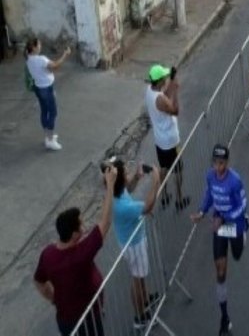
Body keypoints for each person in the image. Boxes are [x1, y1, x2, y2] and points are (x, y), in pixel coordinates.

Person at [34, 166, 116, 336]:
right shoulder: (81, 254)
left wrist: (55, 299)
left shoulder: (48, 254)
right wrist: (110, 185)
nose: (84, 226)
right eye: (81, 224)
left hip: (65, 319)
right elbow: (105, 222)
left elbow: (39, 282)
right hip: (87, 319)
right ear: (73, 234)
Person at [190, 145, 248, 336]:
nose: (218, 167)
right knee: (221, 272)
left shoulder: (235, 181)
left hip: (235, 223)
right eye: (216, 163)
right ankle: (224, 317)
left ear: (227, 163)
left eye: (222, 163)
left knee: (238, 255)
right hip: (220, 225)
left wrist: (225, 217)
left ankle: (243, 235)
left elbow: (243, 206)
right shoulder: (210, 176)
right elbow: (209, 195)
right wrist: (201, 211)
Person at [111, 159, 161, 328]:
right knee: (137, 281)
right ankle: (140, 317)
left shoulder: (115, 192)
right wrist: (155, 182)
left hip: (131, 241)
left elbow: (127, 189)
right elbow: (147, 206)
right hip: (134, 245)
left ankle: (145, 300)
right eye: (125, 173)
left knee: (139, 277)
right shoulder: (123, 206)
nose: (128, 174)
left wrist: (137, 177)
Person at [145, 64, 189, 210]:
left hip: (160, 141)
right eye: (163, 78)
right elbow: (175, 109)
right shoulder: (160, 100)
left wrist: (171, 80)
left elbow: (165, 97)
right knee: (178, 170)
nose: (165, 79)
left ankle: (163, 195)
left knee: (164, 167)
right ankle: (179, 198)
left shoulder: (149, 92)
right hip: (171, 141)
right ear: (158, 81)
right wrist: (175, 89)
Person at [24, 38, 71, 150]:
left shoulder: (28, 58)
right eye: (39, 44)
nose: (40, 46)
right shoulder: (41, 59)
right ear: (34, 47)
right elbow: (55, 66)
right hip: (46, 88)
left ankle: (47, 136)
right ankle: (50, 140)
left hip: (38, 88)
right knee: (53, 112)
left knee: (44, 111)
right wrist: (65, 54)